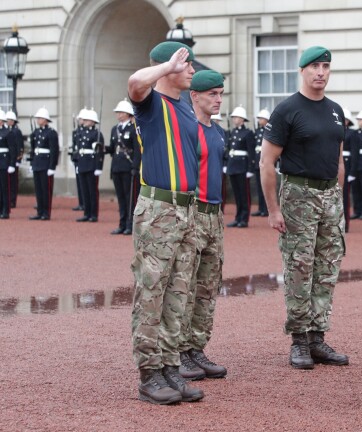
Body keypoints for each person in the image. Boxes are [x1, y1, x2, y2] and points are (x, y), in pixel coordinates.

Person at [260, 45, 349, 370]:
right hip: (299, 194)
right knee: (300, 268)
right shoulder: (287, 110)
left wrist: (339, 200)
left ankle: (317, 337)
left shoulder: (336, 110)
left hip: (329, 198)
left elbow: (338, 159)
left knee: (327, 268)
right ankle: (299, 340)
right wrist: (273, 209)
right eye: (315, 67)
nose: (321, 72)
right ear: (302, 70)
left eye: (326, 66)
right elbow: (267, 163)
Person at [128, 41, 203, 405]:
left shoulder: (185, 106)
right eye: (185, 64)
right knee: (152, 292)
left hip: (186, 210)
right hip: (158, 210)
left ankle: (171, 366)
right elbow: (135, 83)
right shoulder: (152, 103)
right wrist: (165, 67)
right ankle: (148, 373)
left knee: (179, 294)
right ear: (166, 67)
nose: (192, 71)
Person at [177, 69, 228, 381]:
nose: (218, 99)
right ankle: (179, 350)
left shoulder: (219, 131)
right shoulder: (188, 129)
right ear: (194, 96)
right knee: (185, 283)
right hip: (193, 210)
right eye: (212, 94)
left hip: (215, 213)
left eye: (221, 93)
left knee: (208, 286)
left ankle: (196, 347)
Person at [107, 99, 139, 235]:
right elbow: (113, 149)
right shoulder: (115, 129)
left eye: (121, 112)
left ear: (128, 114)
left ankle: (130, 225)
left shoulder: (133, 129)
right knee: (120, 197)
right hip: (117, 166)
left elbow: (138, 150)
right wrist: (102, 148)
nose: (119, 115)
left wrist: (136, 167)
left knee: (129, 197)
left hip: (128, 166)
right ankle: (121, 223)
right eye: (118, 112)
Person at [225, 105, 255, 227]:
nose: (234, 119)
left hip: (242, 167)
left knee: (244, 195)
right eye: (233, 117)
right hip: (233, 166)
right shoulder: (232, 133)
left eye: (236, 117)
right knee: (237, 194)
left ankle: (244, 218)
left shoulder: (248, 133)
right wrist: (226, 164)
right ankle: (238, 217)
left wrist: (250, 168)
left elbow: (251, 152)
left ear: (242, 119)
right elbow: (228, 149)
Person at [29, 108, 59, 221]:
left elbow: (54, 151)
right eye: (38, 118)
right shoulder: (36, 133)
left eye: (40, 118)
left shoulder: (51, 133)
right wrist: (32, 163)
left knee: (46, 189)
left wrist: (52, 166)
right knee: (38, 190)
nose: (38, 120)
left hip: (46, 164)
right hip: (37, 163)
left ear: (46, 120)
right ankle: (40, 211)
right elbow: (33, 149)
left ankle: (46, 212)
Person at [75, 108, 104, 223]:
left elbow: (99, 152)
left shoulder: (97, 134)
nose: (85, 121)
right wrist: (77, 163)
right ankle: (86, 213)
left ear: (93, 121)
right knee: (84, 190)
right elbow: (79, 150)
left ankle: (93, 214)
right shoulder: (80, 133)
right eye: (85, 119)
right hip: (82, 163)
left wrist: (98, 167)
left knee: (92, 190)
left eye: (87, 120)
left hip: (92, 164)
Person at [250, 109, 270, 217]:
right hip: (258, 161)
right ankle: (260, 208)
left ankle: (266, 209)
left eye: (261, 118)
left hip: (265, 161)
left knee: (265, 187)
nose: (259, 120)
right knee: (259, 186)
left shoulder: (269, 131)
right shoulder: (257, 131)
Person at [342, 107, 358, 233]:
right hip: (335, 166)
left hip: (347, 167)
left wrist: (352, 172)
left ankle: (345, 224)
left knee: (344, 197)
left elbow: (355, 154)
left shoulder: (352, 133)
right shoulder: (335, 131)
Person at [0, 110, 17, 219]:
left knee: (4, 187)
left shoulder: (8, 133)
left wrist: (12, 164)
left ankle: (6, 210)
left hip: (4, 162)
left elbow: (12, 149)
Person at [6, 111, 24, 209]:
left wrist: (18, 160)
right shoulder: (8, 131)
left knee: (13, 182)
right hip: (8, 159)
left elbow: (20, 147)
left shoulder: (16, 131)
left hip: (14, 160)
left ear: (13, 121)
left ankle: (13, 200)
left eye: (8, 120)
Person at [70, 109, 86, 212]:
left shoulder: (84, 132)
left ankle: (85, 203)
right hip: (77, 158)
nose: (79, 121)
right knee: (79, 182)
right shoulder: (76, 132)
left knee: (84, 183)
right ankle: (81, 202)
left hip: (85, 159)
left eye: (81, 119)